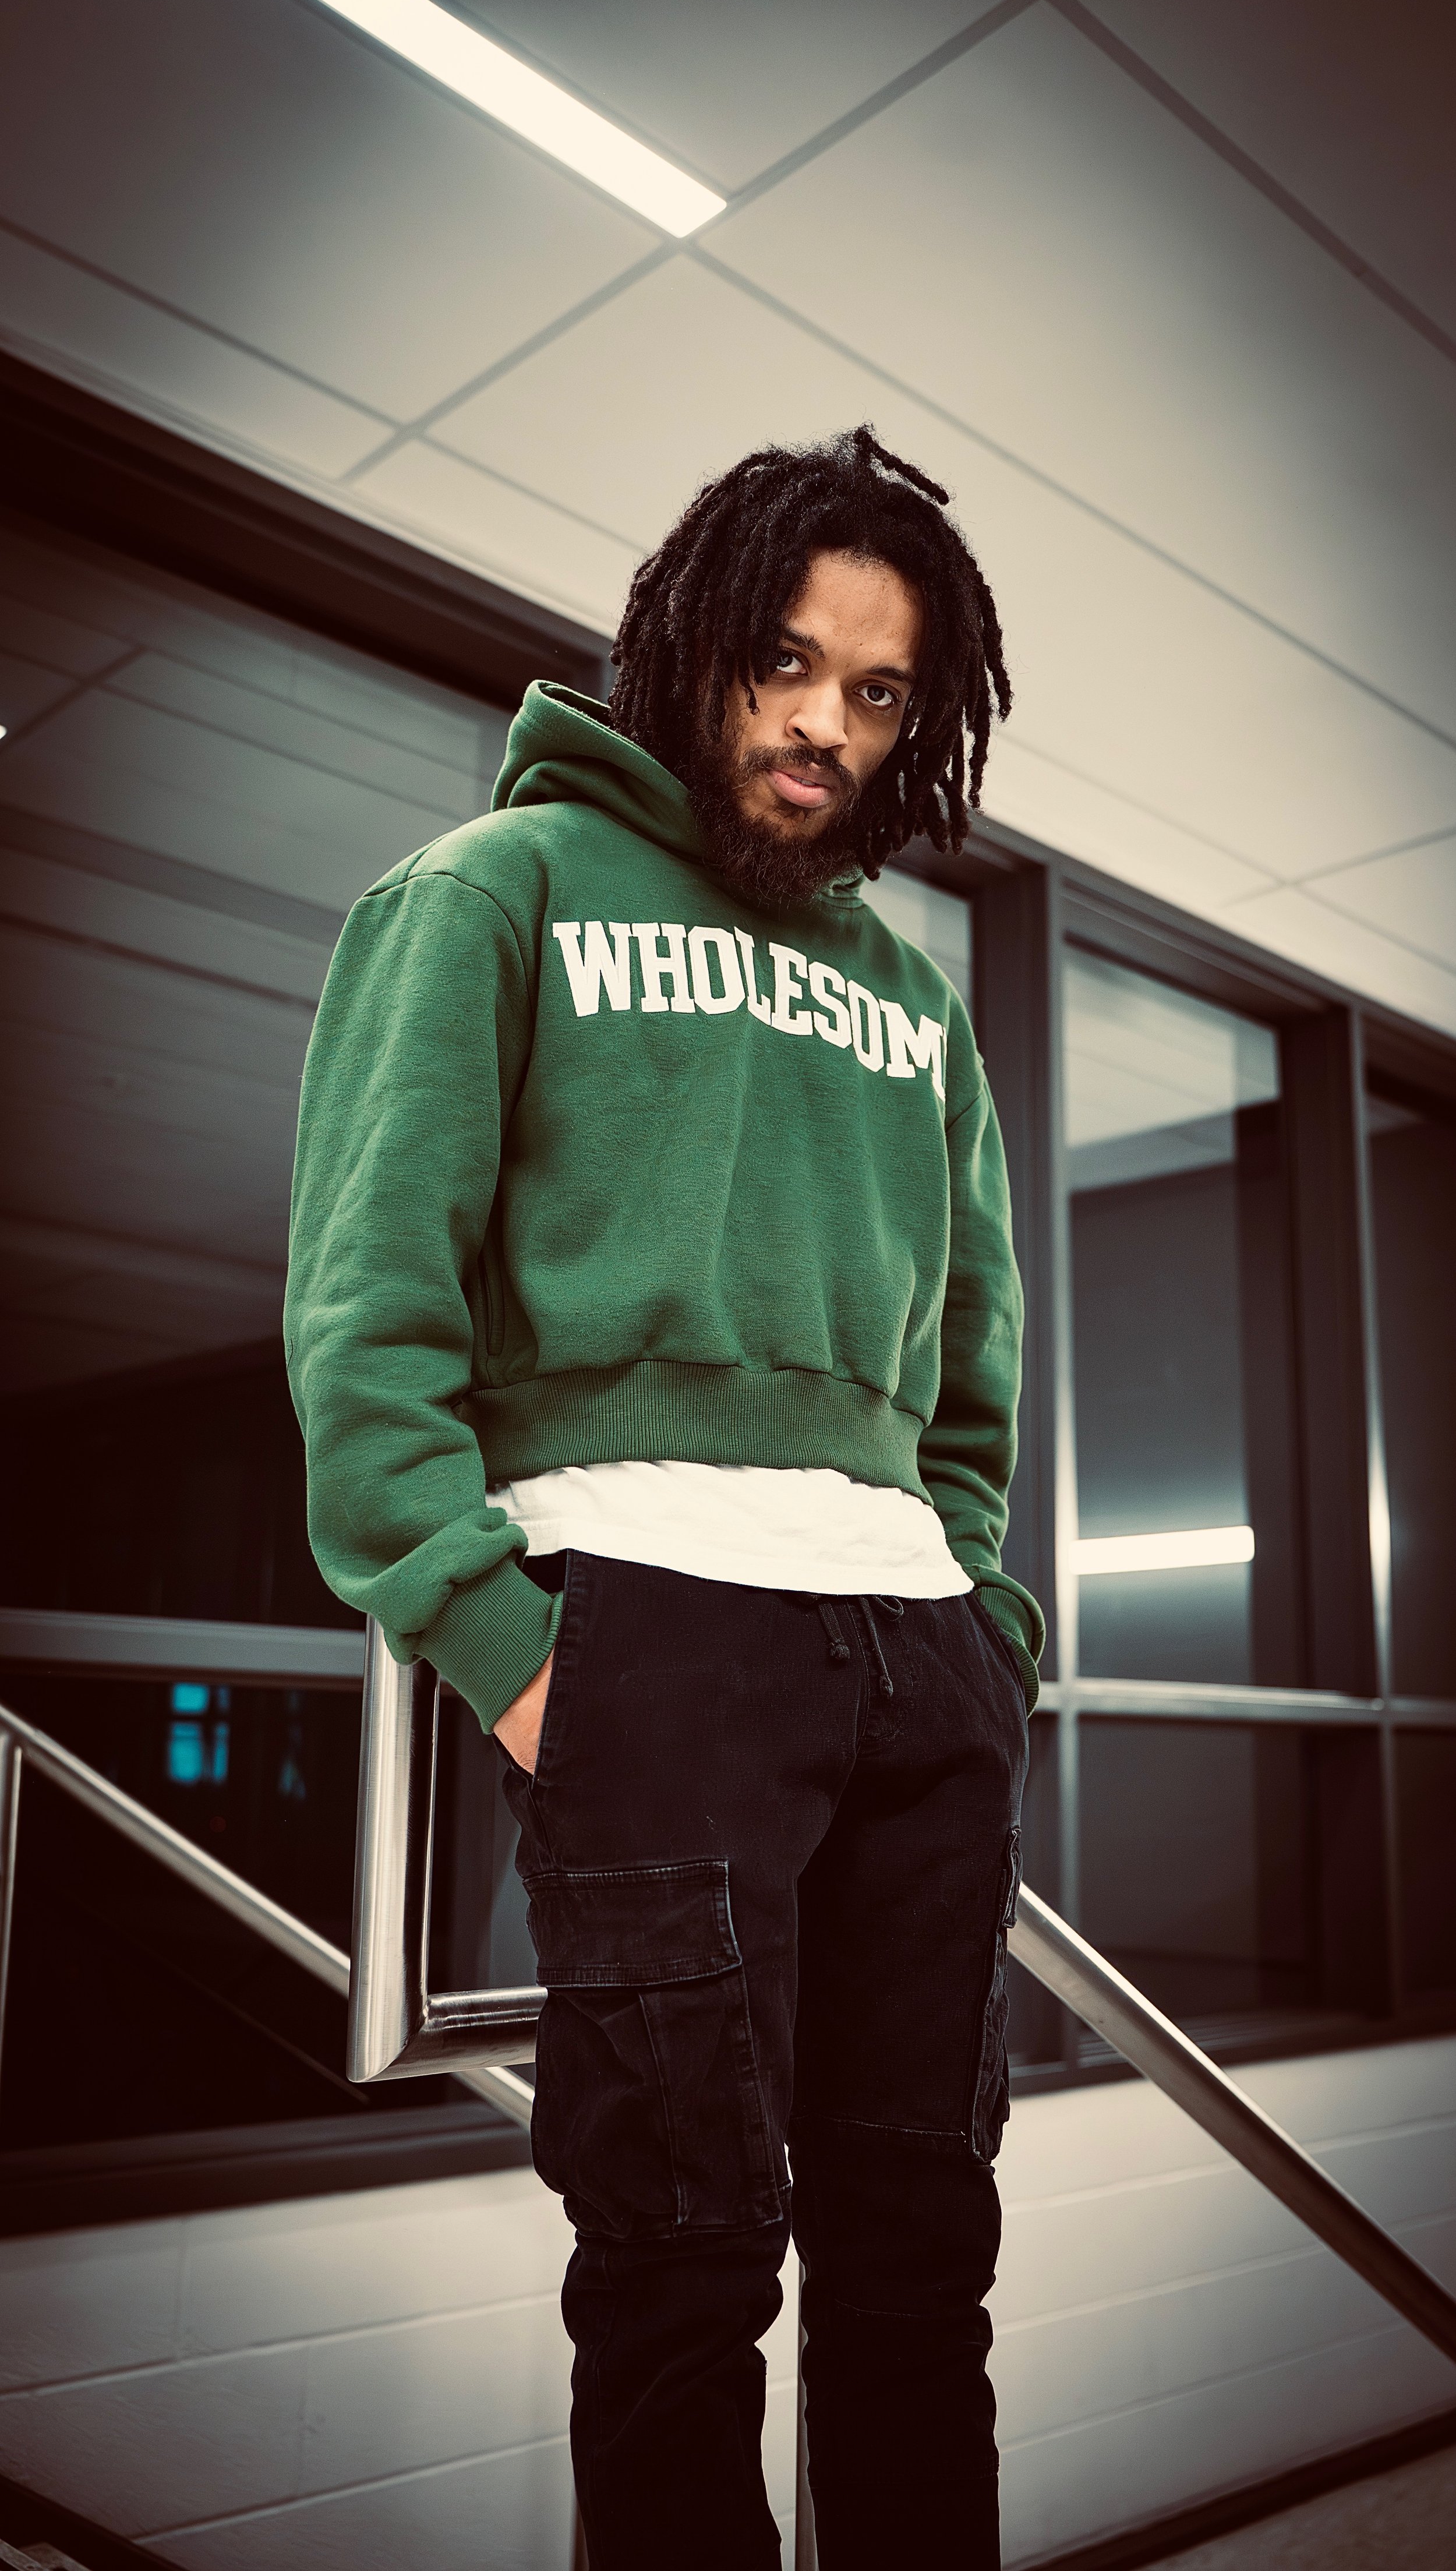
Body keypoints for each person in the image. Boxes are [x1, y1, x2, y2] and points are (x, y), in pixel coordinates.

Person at [286, 426, 1043, 2569]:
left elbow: (974, 1365)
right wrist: (517, 1653)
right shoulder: (492, 892)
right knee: (681, 2270)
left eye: (877, 691)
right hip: (651, 1636)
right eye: (783, 661)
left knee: (922, 2264)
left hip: (913, 1660)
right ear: (692, 640)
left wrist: (982, 1627)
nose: (823, 724)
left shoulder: (913, 1000)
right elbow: (367, 1319)